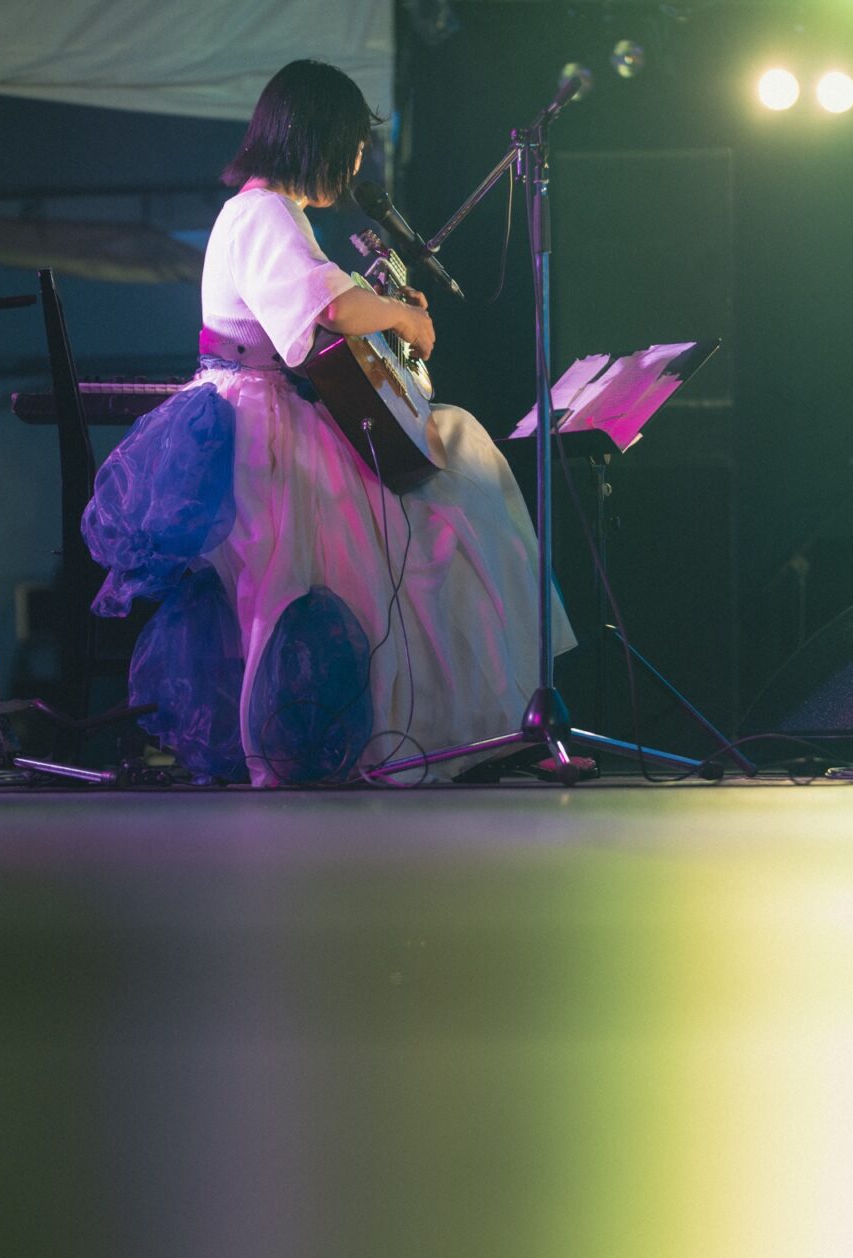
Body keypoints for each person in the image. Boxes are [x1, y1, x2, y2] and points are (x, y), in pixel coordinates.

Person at [82, 58, 574, 785]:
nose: (355, 165)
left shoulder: (273, 214)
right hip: (262, 430)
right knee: (430, 511)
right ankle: (437, 725)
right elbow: (329, 309)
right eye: (352, 147)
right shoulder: (262, 212)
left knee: (444, 481)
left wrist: (385, 308)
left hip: (276, 412)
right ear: (317, 139)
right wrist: (400, 315)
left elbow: (323, 307)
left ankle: (460, 721)